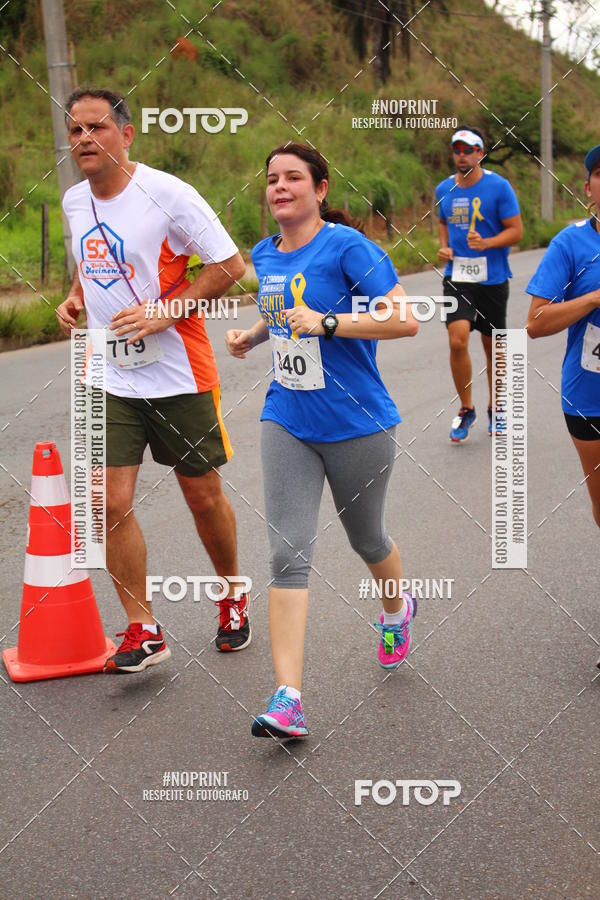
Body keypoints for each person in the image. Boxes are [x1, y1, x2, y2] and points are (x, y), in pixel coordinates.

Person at [225, 143, 419, 738]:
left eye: (293, 178)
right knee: (287, 553)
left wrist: (330, 322)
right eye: (272, 179)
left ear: (321, 189)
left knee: (368, 538)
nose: (280, 187)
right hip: (287, 417)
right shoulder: (265, 252)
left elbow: (404, 319)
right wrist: (254, 336)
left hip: (359, 423)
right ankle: (289, 697)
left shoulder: (349, 247)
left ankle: (397, 608)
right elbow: (283, 309)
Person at [56, 87, 250, 672]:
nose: (84, 139)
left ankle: (232, 593)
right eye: (74, 131)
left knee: (202, 493)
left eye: (96, 128)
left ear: (126, 133)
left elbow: (229, 266)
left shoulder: (168, 194)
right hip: (107, 376)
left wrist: (169, 310)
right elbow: (90, 261)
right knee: (106, 503)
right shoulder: (71, 200)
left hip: (178, 373)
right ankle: (143, 628)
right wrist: (74, 296)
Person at [526, 144, 600, 667]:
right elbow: (537, 322)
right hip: (588, 394)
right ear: (590, 185)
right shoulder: (571, 244)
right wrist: (594, 299)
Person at [436, 126, 523, 442]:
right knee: (457, 339)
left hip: (493, 276)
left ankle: (497, 408)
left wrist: (487, 243)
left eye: (468, 149)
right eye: (457, 149)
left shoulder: (499, 188)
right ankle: (466, 408)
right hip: (457, 275)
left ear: (480, 153)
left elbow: (516, 231)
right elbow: (443, 222)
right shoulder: (443, 189)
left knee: (492, 345)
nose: (462, 155)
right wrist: (444, 246)